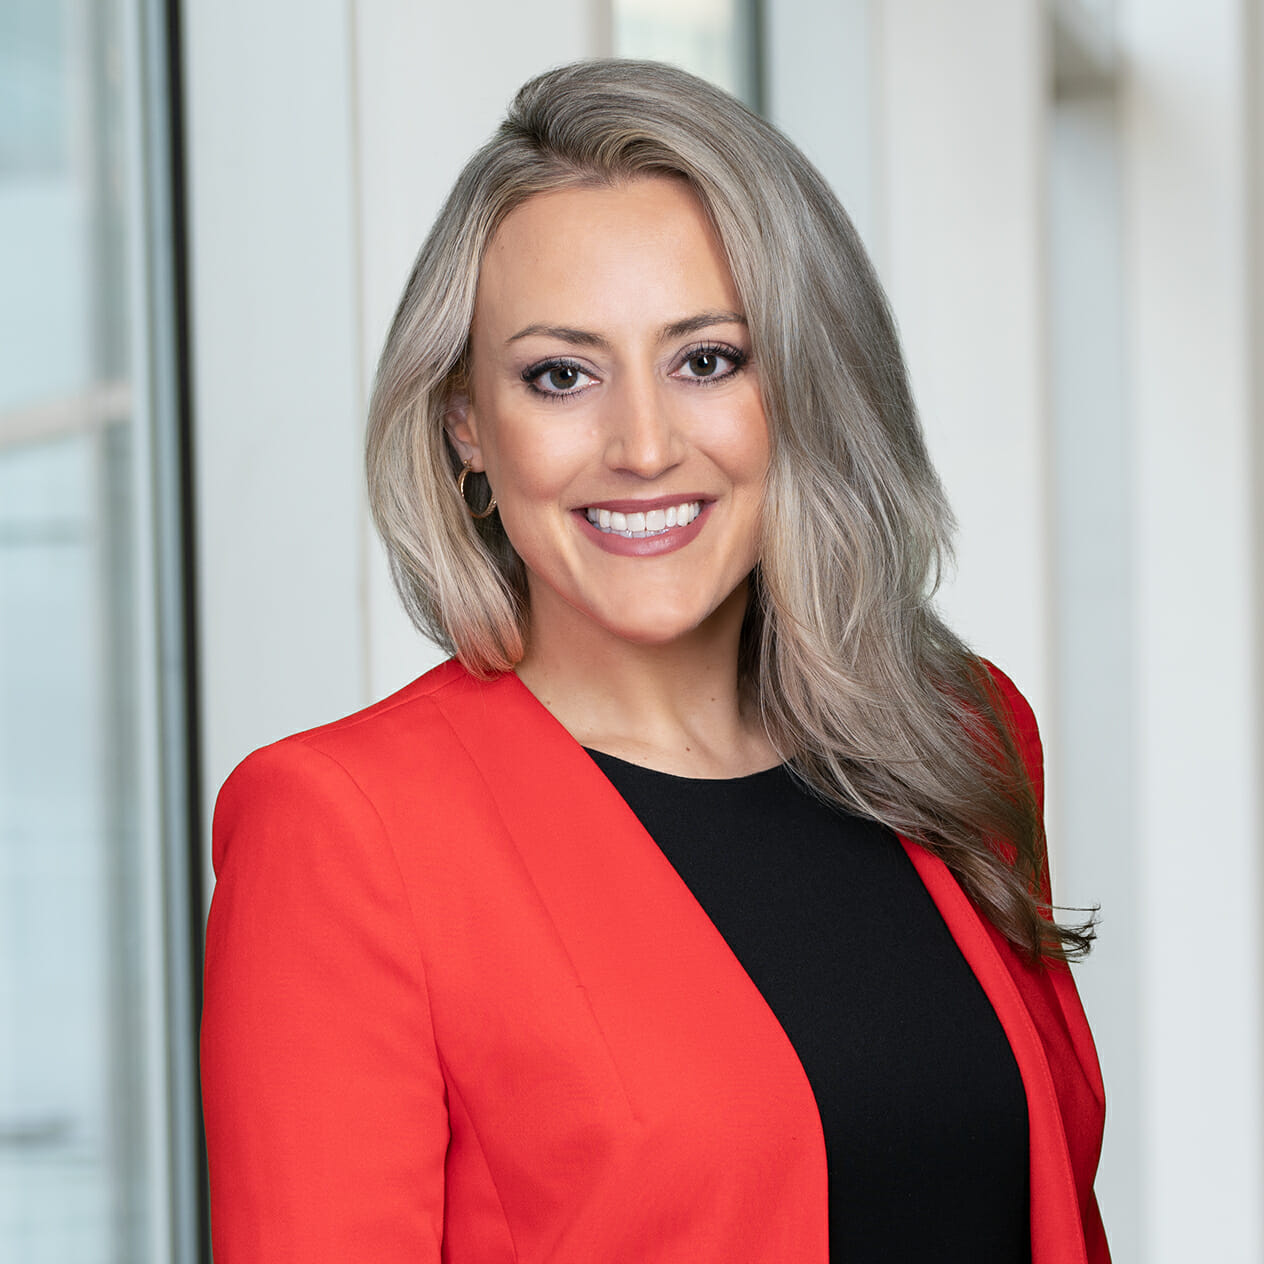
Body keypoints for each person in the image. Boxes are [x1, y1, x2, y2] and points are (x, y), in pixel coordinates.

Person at [200, 59, 1109, 1263]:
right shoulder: (343, 832)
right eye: (560, 375)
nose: (641, 445)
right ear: (467, 426)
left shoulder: (956, 732)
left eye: (708, 360)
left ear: (804, 386)